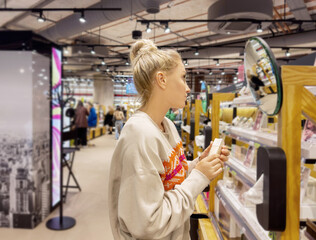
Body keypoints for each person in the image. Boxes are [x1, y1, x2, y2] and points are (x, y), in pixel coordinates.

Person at [108, 39, 230, 240]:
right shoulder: (140, 136)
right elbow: (148, 224)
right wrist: (199, 177)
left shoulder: (167, 125)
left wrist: (198, 164)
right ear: (162, 80)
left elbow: (168, 177)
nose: (188, 88)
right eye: (182, 78)